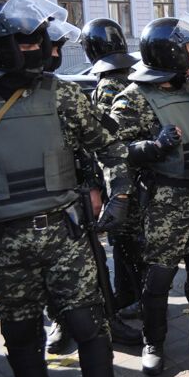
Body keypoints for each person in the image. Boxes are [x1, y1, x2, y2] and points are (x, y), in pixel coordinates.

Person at [0, 0, 128, 377]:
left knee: (89, 325)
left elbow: (111, 147)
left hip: (64, 237)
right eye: (27, 42)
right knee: (20, 336)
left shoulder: (62, 94)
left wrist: (119, 195)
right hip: (4, 246)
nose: (37, 51)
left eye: (38, 41)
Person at [110, 15, 189, 376]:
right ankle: (154, 342)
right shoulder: (132, 99)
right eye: (188, 51)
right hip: (165, 200)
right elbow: (113, 150)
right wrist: (151, 146)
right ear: (170, 55)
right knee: (161, 276)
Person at [77, 18, 146, 345]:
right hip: (138, 175)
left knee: (124, 242)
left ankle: (130, 297)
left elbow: (102, 142)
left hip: (120, 178)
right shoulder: (132, 77)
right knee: (131, 241)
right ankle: (134, 296)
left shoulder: (106, 86)